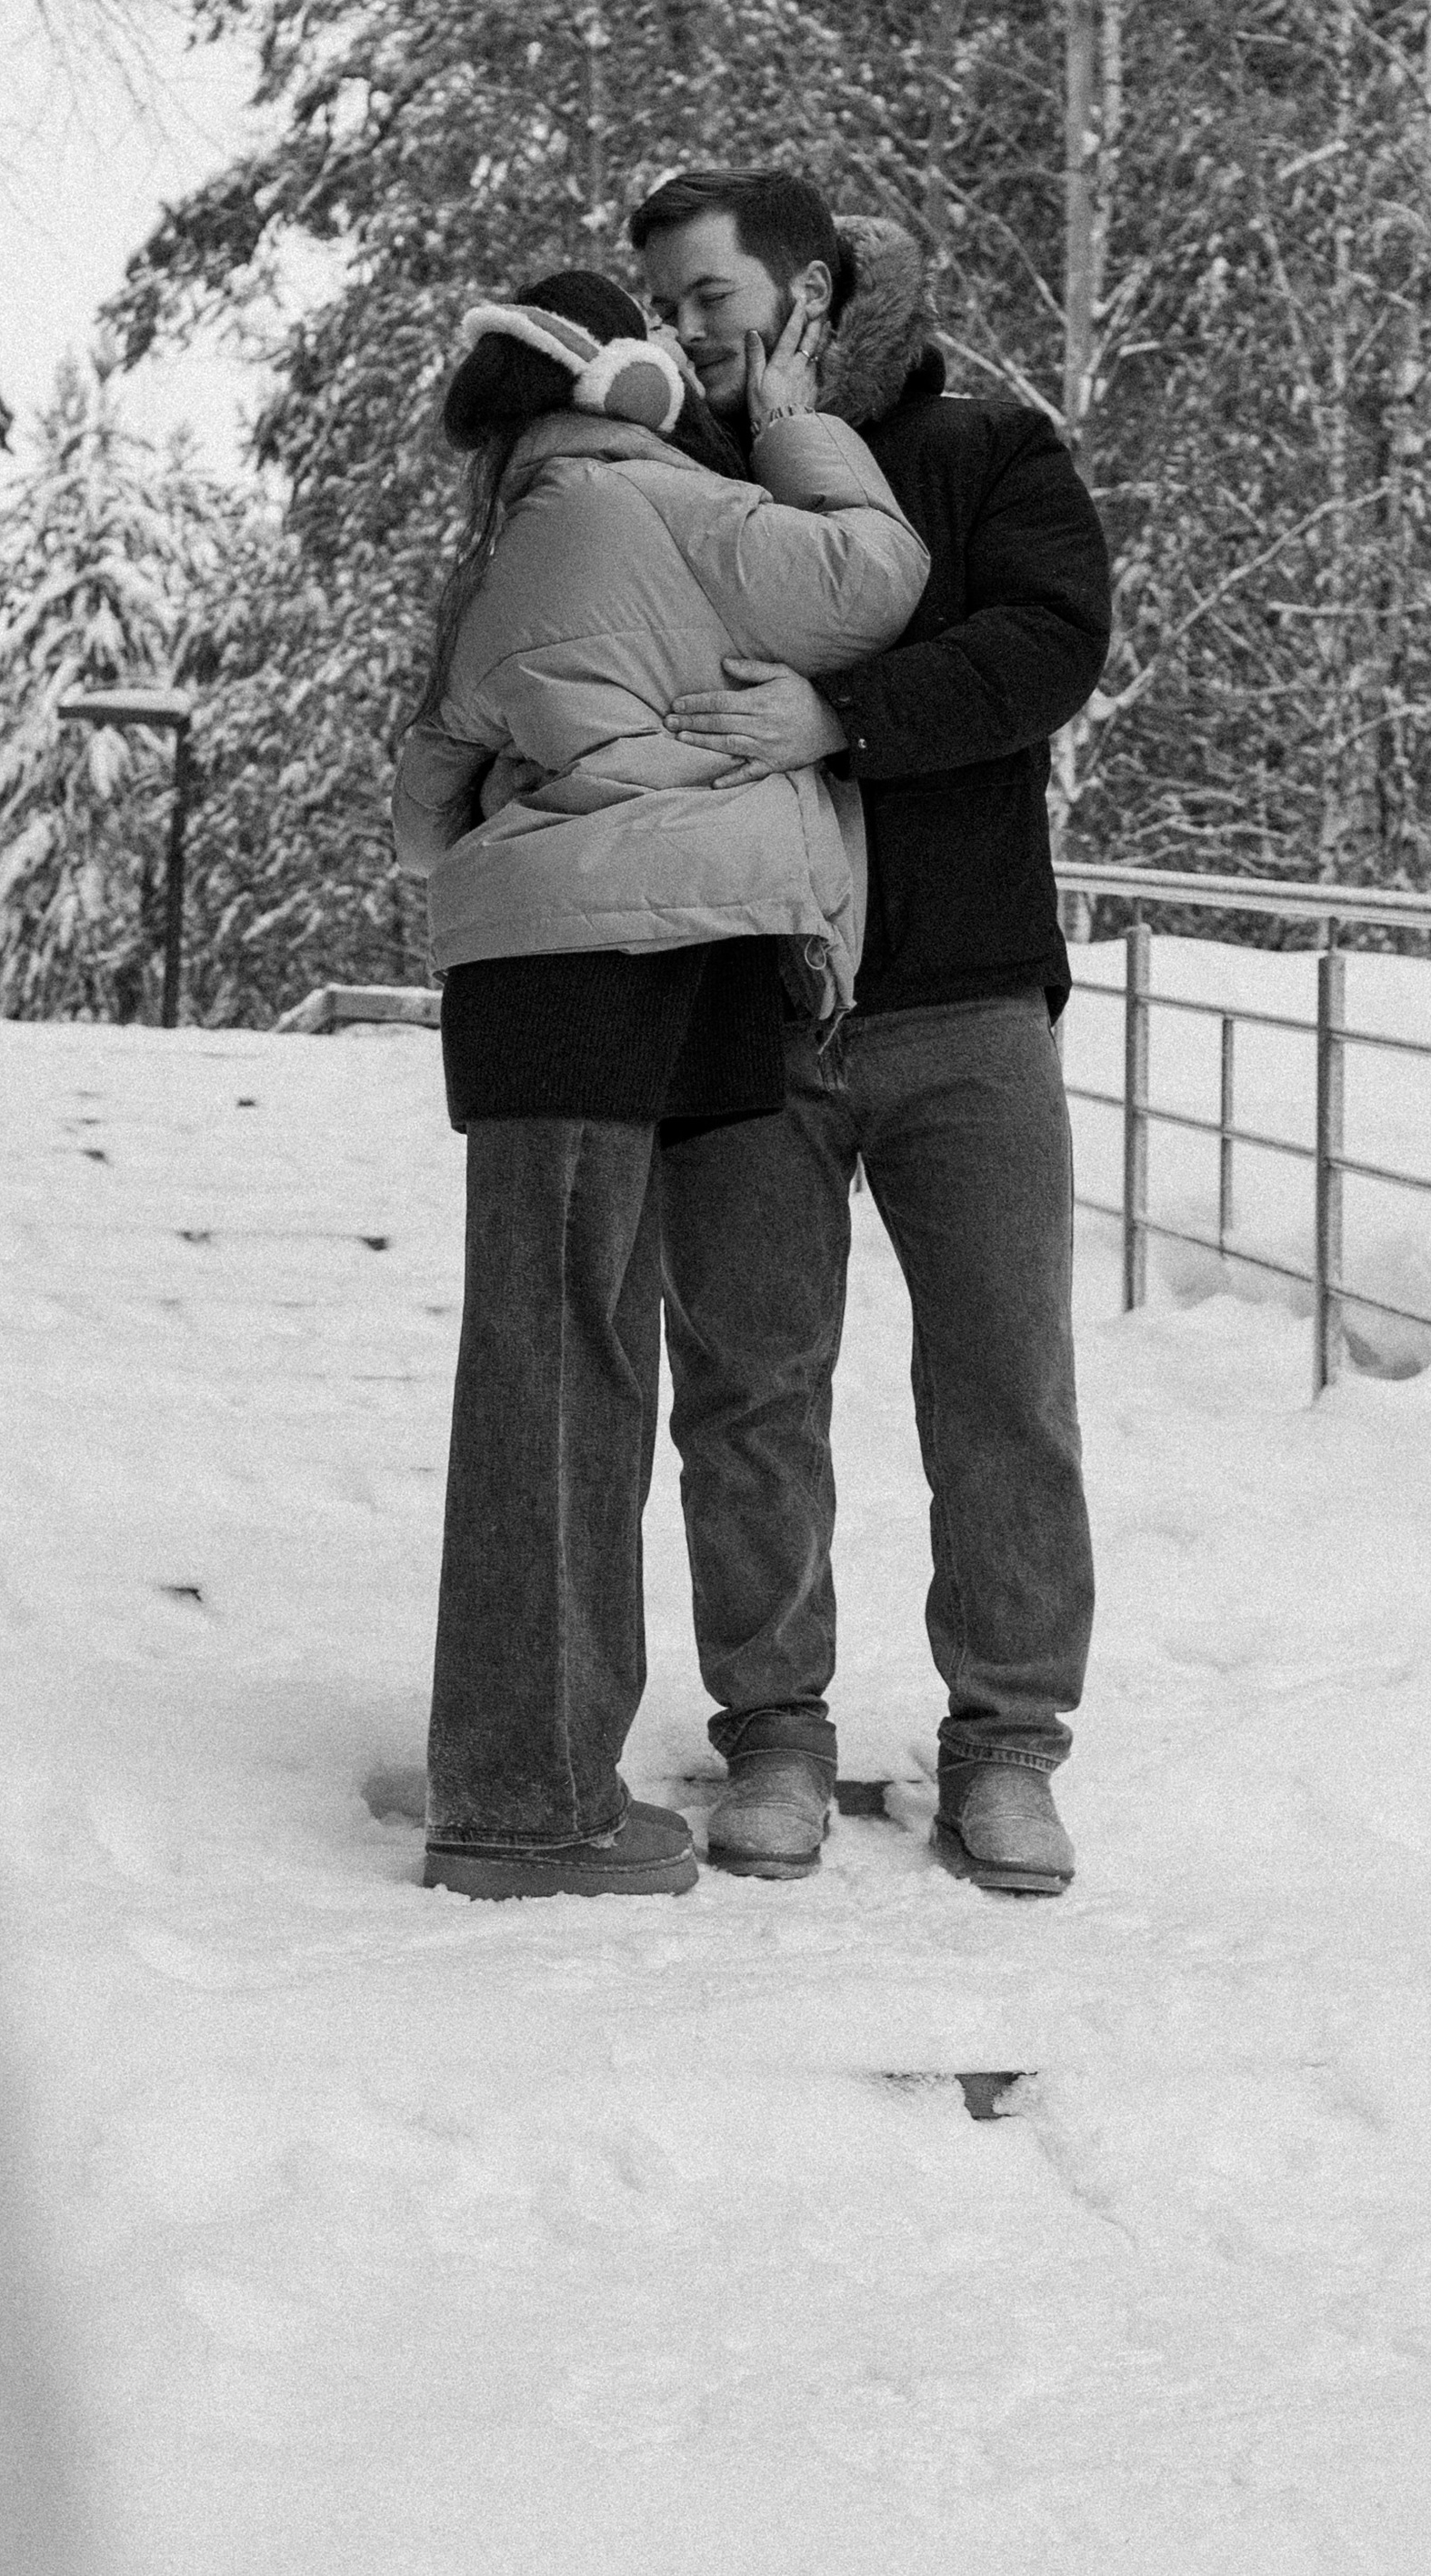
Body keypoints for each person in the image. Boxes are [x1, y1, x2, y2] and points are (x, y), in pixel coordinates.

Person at [392, 267, 928, 1901]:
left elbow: (428, 812)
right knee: (567, 1386)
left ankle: (528, 1767)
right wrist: (799, 429)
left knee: (558, 1373)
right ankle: (519, 1806)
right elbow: (879, 577)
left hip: (547, 985)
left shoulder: (508, 546)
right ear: (619, 381)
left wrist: (588, 769)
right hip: (623, 984)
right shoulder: (672, 501)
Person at [630, 166, 1111, 1897]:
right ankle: (773, 1730)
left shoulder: (989, 449)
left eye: (707, 293)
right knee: (749, 1389)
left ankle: (1006, 1745)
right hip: (752, 1000)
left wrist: (835, 715)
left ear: (811, 287)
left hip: (966, 996)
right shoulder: (667, 470)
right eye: (667, 304)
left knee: (1003, 1385)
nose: (686, 329)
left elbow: (1048, 647)